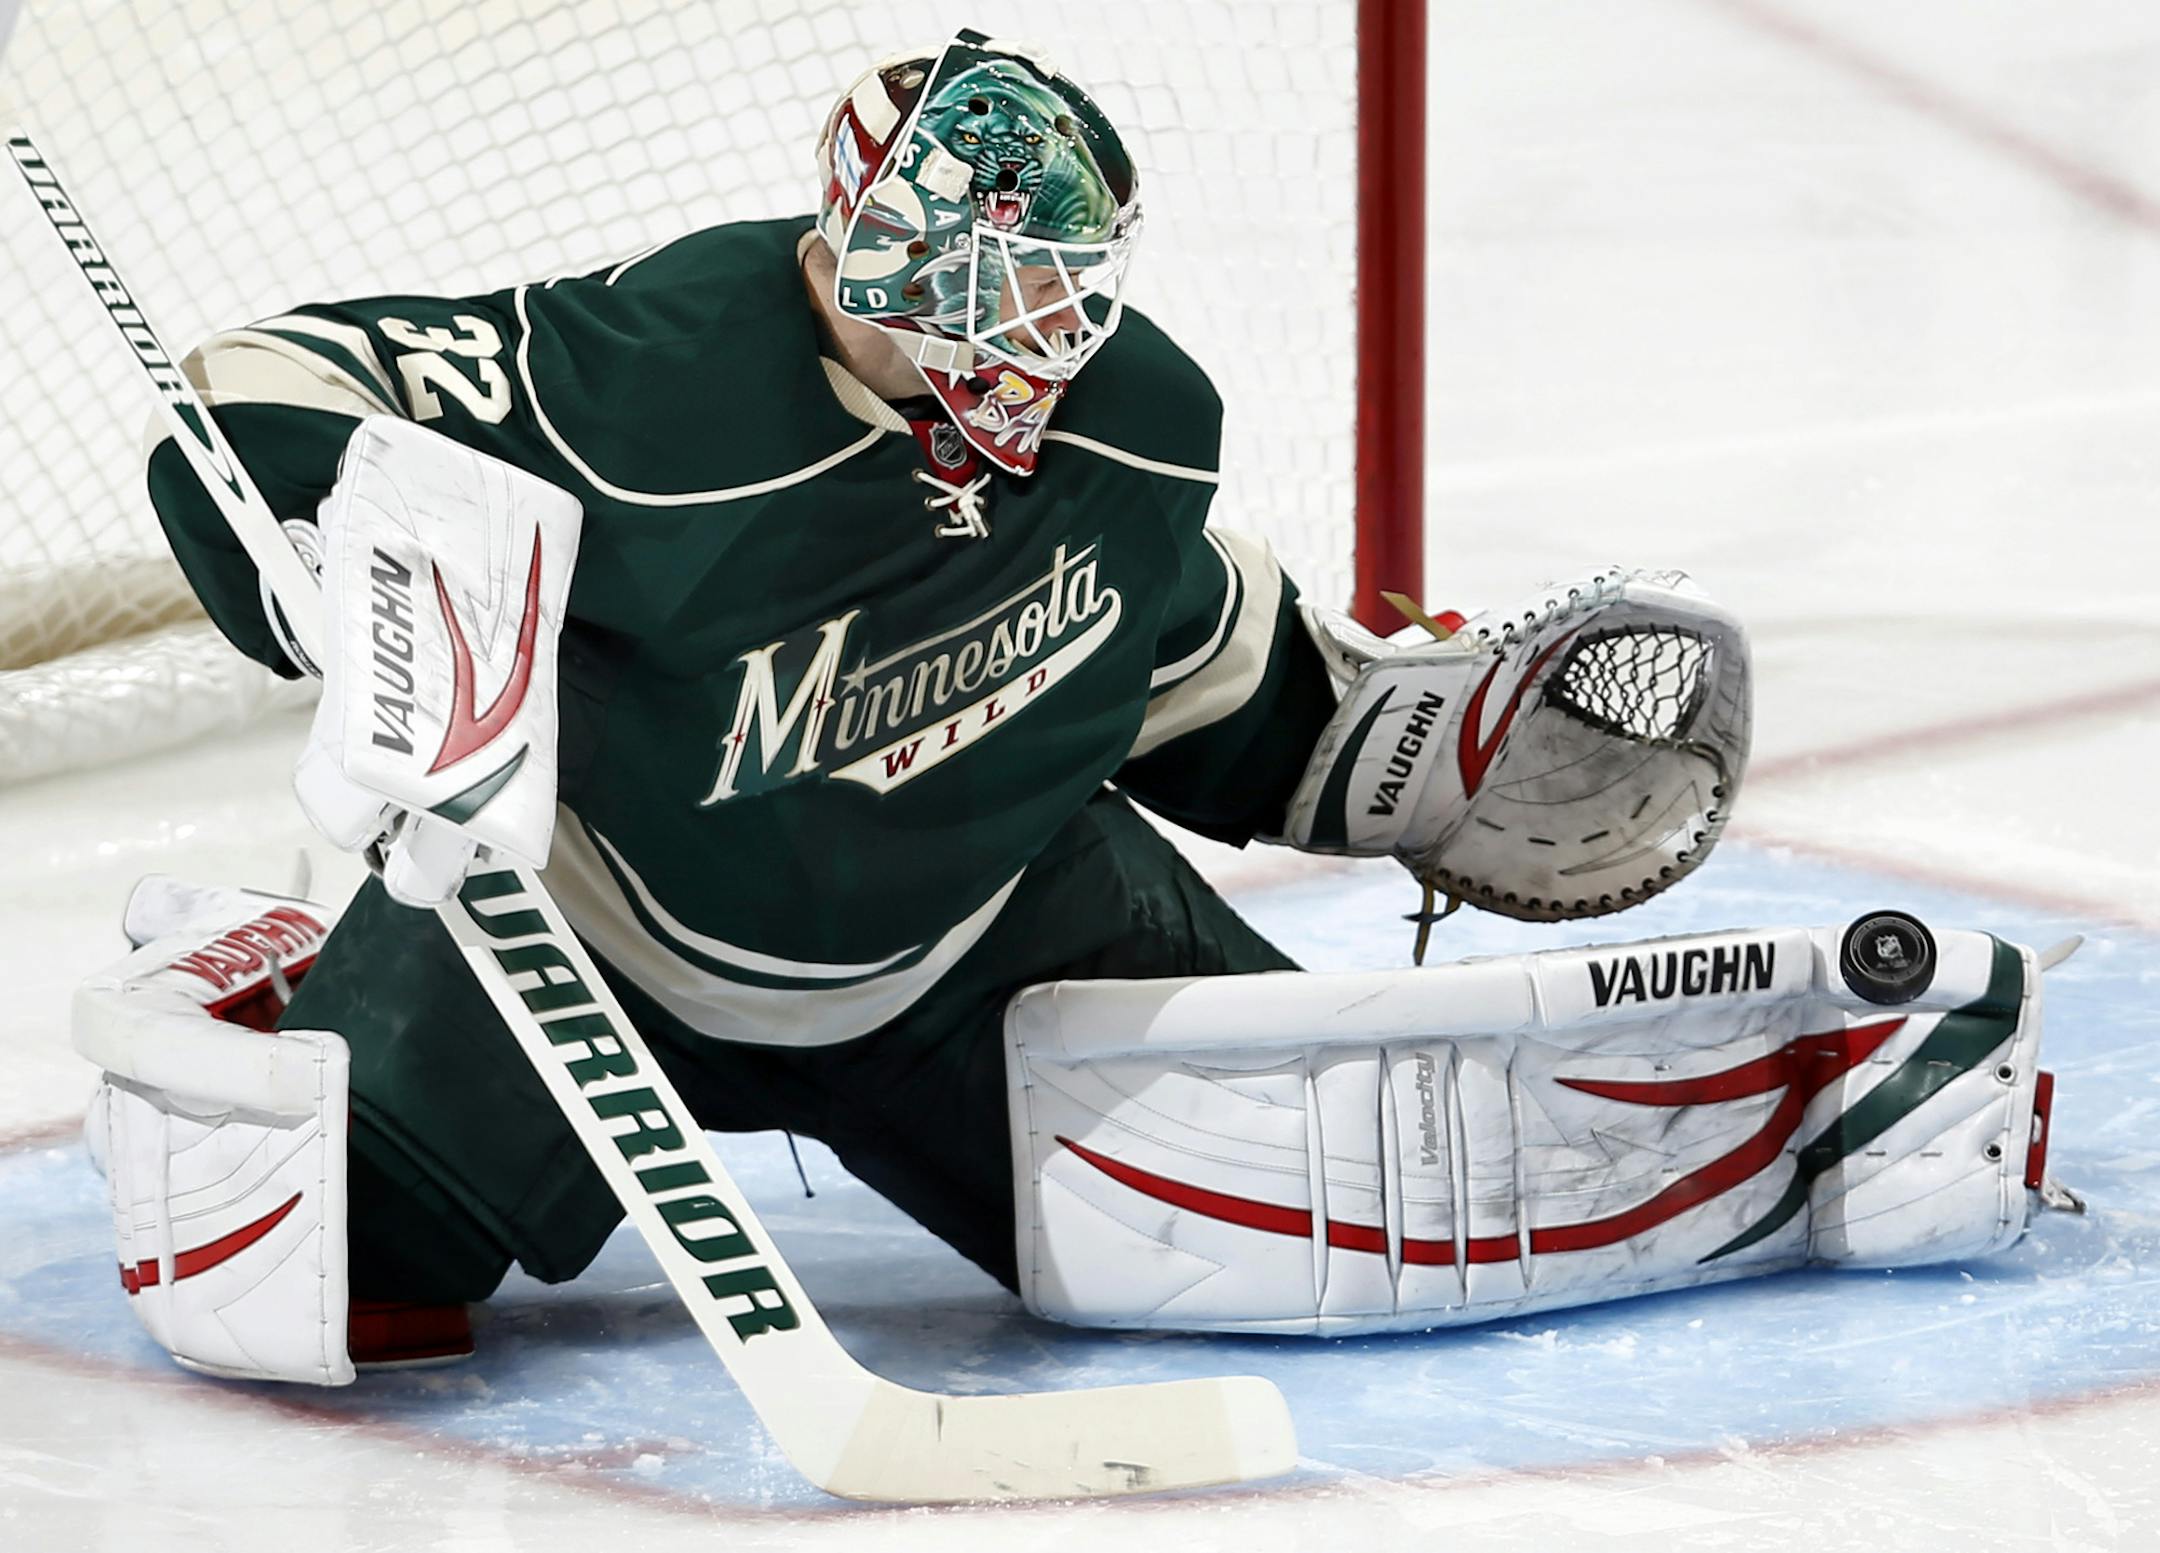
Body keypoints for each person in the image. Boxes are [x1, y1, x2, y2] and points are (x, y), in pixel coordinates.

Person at [77, 31, 2060, 1386]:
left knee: (1338, 1197)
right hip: (585, 939)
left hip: (984, 930)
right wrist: (347, 556)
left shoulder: (1139, 423)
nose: (1029, 336)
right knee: (304, 1272)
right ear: (863, 246)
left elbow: (1177, 665)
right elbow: (268, 375)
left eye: (1058, 285)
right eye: (980, 281)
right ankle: (268, 956)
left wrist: (1403, 762)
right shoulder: (669, 373)